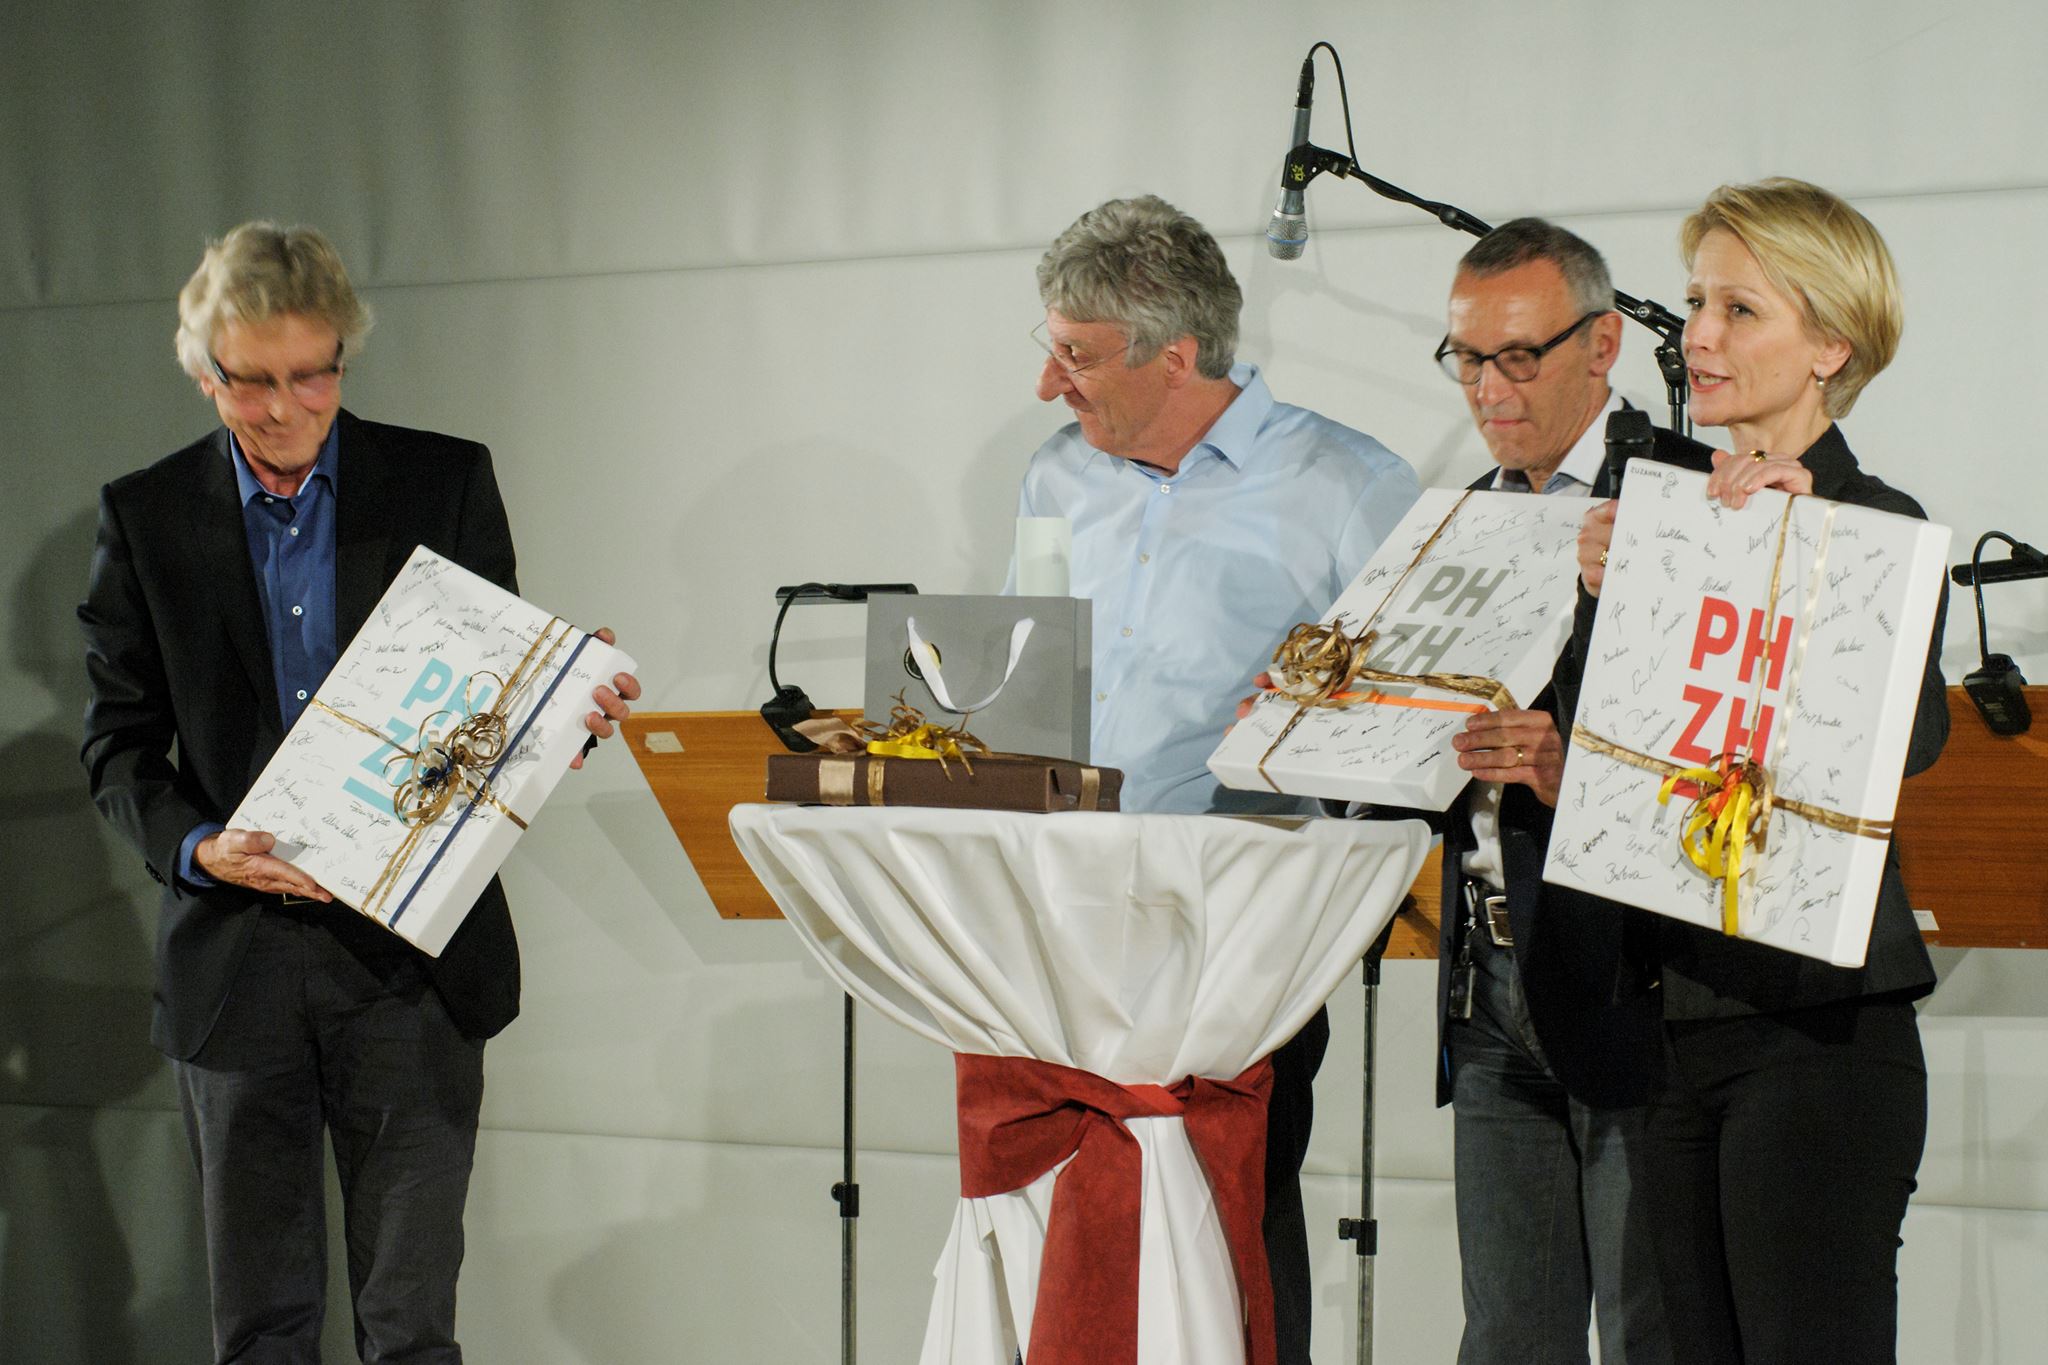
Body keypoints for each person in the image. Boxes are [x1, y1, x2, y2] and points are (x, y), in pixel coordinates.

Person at [78, 222, 640, 1364]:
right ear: (204, 373)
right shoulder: (147, 516)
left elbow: (488, 716)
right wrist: (201, 851)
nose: (286, 407)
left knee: (410, 1326)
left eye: (313, 374)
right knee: (264, 1329)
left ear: (341, 358)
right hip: (237, 957)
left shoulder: (440, 480)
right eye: (252, 382)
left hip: (412, 962)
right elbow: (119, 746)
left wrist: (562, 716)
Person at [1009, 194, 1420, 1363]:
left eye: (1075, 358)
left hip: (1242, 930)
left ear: (1174, 356)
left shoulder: (1349, 482)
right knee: (1074, 1218)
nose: (1050, 387)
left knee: (1232, 1217)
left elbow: (1413, 712)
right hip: (1064, 914)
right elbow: (1016, 692)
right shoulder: (1056, 478)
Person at [1574, 178, 1948, 1364]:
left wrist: (1813, 560)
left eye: (1739, 309)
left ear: (1829, 345)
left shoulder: (1876, 520)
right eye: (1694, 303)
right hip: (1672, 1023)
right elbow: (1618, 762)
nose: (1697, 335)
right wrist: (1601, 602)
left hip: (1819, 1039)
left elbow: (1912, 738)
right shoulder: (1663, 512)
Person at [1420, 220, 1708, 1365]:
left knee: (1653, 1330)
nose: (1486, 390)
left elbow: (1723, 756)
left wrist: (1568, 767)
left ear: (1602, 348)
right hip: (1487, 983)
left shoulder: (1685, 499)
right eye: (1464, 359)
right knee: (1506, 1337)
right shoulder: (1461, 520)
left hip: (1632, 984)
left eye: (1517, 358)